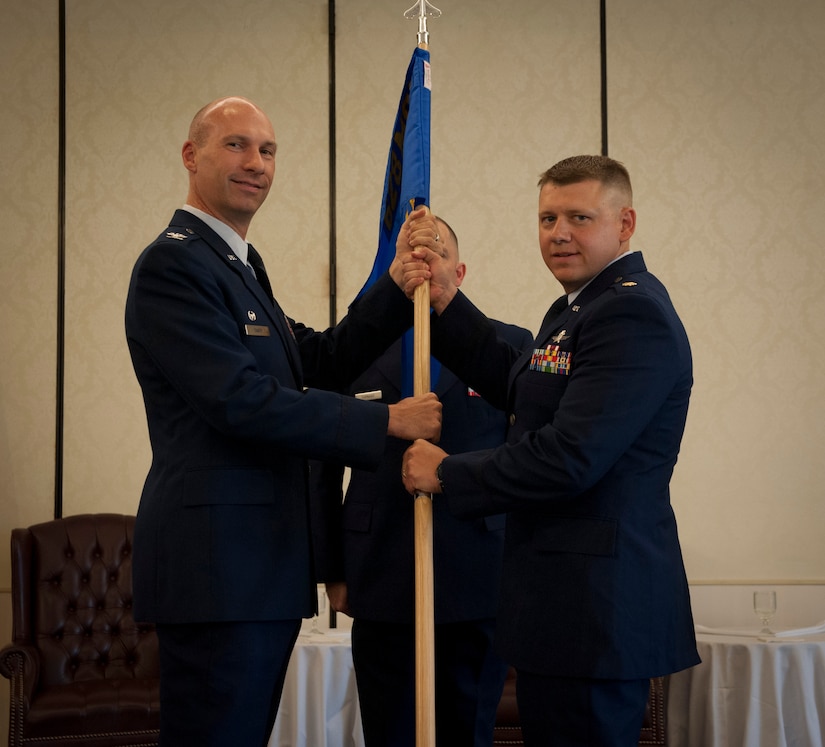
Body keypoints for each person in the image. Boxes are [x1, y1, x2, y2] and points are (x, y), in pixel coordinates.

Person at [124, 96, 441, 746]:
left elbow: (315, 360)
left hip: (256, 568)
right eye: (236, 145)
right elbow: (238, 399)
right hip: (218, 571)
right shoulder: (173, 264)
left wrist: (392, 285)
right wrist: (383, 423)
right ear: (191, 156)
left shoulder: (239, 266)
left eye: (267, 150)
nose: (257, 163)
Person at [399, 155, 700, 746]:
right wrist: (446, 298)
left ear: (625, 223)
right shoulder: (577, 309)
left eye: (579, 217)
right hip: (562, 606)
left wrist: (449, 474)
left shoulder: (631, 312)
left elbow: (570, 455)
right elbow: (518, 384)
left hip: (596, 609)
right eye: (547, 218)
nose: (559, 232)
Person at [311, 217, 533, 747]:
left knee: (467, 728)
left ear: (458, 270)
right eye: (411, 255)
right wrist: (332, 571)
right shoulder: (354, 347)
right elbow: (320, 461)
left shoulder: (508, 346)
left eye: (433, 253)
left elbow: (526, 459)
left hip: (478, 571)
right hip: (378, 570)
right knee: (389, 730)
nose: (421, 265)